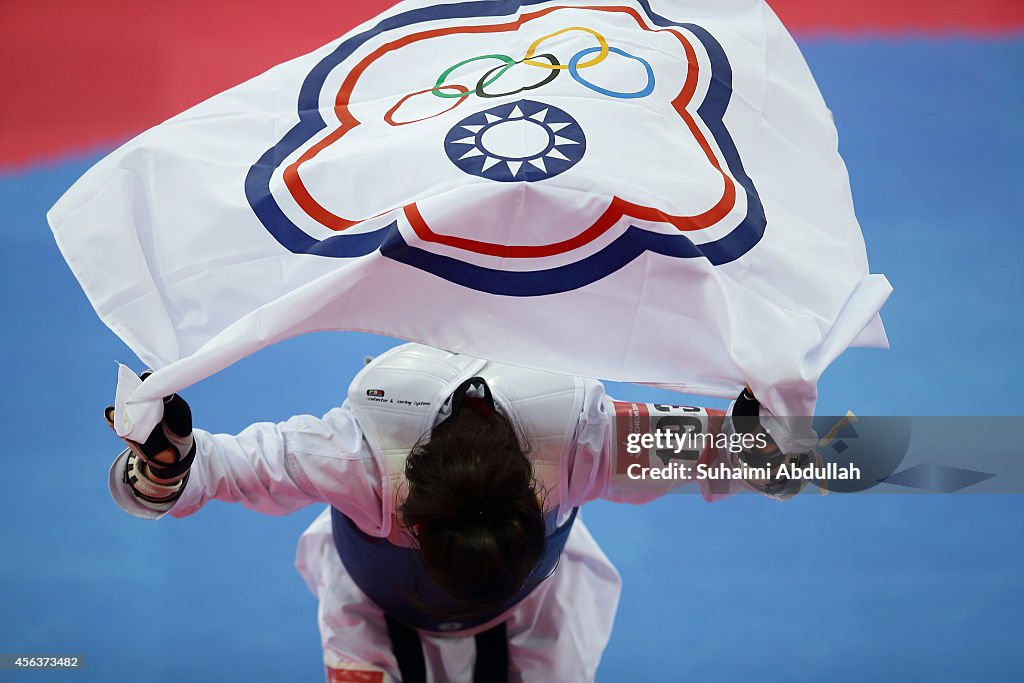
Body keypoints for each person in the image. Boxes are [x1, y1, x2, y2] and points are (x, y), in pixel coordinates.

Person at [105, 342, 809, 682]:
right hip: (376, 613)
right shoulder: (362, 452)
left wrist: (772, 440)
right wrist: (167, 464)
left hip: (534, 613)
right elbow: (217, 470)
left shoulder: (585, 441)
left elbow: (778, 461)